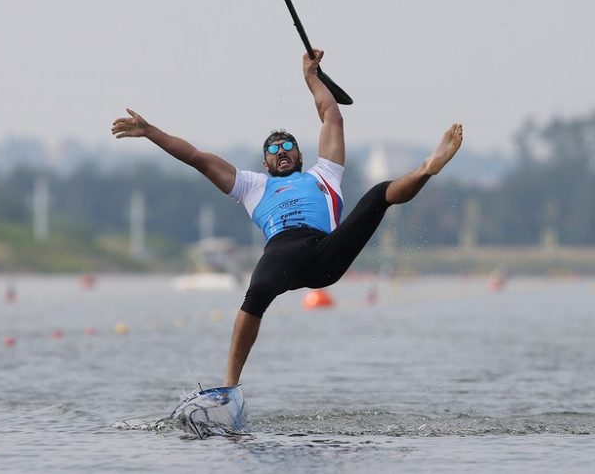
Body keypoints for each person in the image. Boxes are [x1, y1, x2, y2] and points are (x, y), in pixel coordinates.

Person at [112, 49, 463, 386]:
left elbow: (331, 115)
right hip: (281, 252)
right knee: (255, 295)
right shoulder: (251, 185)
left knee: (377, 194)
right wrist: (150, 131)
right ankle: (229, 386)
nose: (281, 151)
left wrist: (311, 77)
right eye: (273, 149)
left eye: (287, 146)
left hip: (326, 253)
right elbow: (196, 157)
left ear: (300, 155)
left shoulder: (325, 173)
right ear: (264, 162)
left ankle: (426, 168)